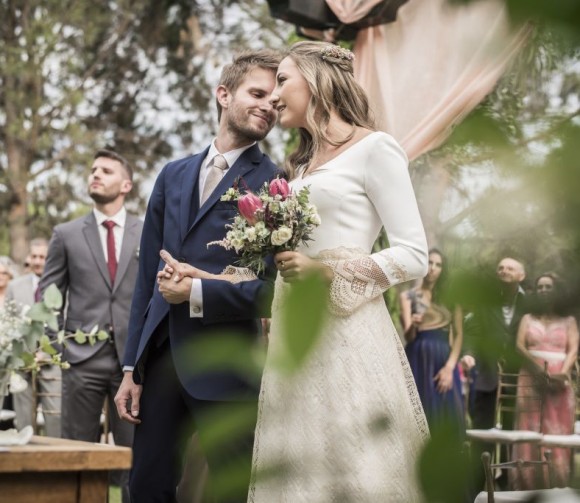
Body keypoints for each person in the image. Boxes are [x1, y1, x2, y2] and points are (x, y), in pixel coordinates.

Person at [244, 41, 429, 502]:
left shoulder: (376, 148)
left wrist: (328, 272)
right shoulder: (301, 167)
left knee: (356, 463)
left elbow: (414, 254)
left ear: (315, 79)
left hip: (349, 334)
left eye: (282, 81)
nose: (274, 96)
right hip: (295, 334)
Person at [114, 49, 282, 503]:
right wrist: (131, 368)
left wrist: (197, 291)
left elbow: (273, 291)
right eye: (257, 93)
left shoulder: (277, 184)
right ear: (224, 94)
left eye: (275, 100)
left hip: (227, 365)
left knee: (228, 492)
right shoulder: (172, 174)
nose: (268, 106)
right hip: (162, 360)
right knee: (145, 488)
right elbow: (147, 278)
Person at [40, 149, 142, 502]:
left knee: (134, 459)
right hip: (80, 362)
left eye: (106, 171)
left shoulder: (147, 232)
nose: (95, 174)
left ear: (126, 185)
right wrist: (60, 348)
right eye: (93, 169)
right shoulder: (65, 234)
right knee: (76, 455)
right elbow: (48, 298)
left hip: (133, 364)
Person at [461, 256, 527, 491]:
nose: (504, 270)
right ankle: (477, 488)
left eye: (510, 267)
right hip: (488, 376)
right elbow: (473, 332)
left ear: (521, 275)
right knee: (482, 436)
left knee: (514, 435)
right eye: (500, 267)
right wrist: (469, 354)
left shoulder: (530, 303)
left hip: (520, 380)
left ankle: (509, 485)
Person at [510, 273, 578, 489]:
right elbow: (519, 346)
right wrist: (538, 368)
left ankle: (556, 481)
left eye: (548, 287)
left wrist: (562, 374)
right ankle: (528, 483)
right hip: (531, 377)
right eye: (540, 287)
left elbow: (573, 349)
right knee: (529, 425)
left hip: (559, 380)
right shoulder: (527, 319)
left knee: (556, 428)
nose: (544, 291)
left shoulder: (569, 321)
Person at [400, 248, 465, 429]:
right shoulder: (408, 296)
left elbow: (459, 335)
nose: (433, 268)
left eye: (438, 265)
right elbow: (409, 337)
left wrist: (450, 368)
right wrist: (413, 325)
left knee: (447, 413)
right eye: (429, 262)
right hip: (417, 358)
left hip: (444, 359)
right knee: (418, 411)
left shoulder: (451, 299)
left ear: (443, 269)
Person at [6, 238, 62, 437]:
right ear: (29, 258)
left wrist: (46, 354)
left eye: (42, 257)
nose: (38, 261)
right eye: (34, 256)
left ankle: (55, 456)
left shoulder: (60, 285)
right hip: (22, 364)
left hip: (52, 363)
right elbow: (9, 323)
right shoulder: (14, 286)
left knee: (55, 419)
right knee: (23, 422)